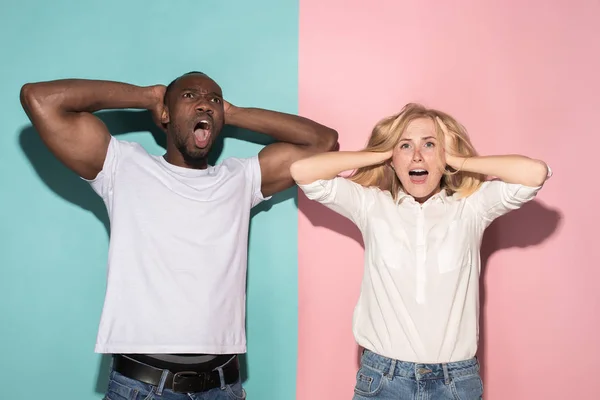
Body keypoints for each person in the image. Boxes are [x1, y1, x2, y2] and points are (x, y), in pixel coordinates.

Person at [20, 71, 338, 400]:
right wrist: (148, 96)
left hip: (224, 388)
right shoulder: (122, 165)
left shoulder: (240, 178)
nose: (204, 104)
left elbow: (323, 142)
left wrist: (231, 113)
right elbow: (40, 99)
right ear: (166, 114)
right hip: (142, 388)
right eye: (189, 96)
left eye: (213, 99)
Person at [290, 103, 551, 400]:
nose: (417, 156)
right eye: (405, 146)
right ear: (393, 158)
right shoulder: (372, 206)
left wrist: (456, 160)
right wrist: (380, 155)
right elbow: (303, 171)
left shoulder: (471, 207)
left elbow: (534, 173)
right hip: (382, 379)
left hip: (456, 382)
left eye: (429, 144)